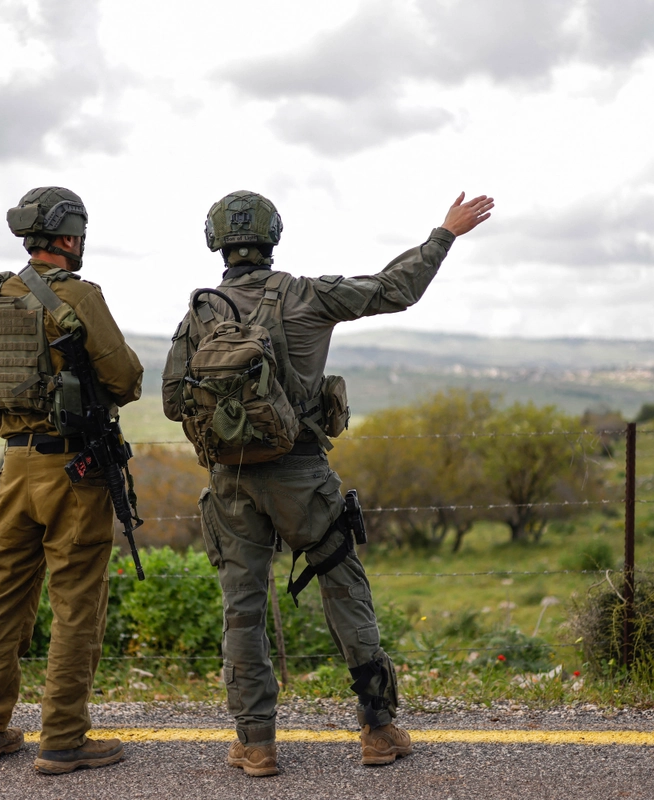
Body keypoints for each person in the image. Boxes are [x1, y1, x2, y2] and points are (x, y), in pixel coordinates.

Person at [161, 190, 494, 776]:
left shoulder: (200, 314)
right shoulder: (306, 294)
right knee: (344, 590)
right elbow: (395, 289)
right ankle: (379, 731)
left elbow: (171, 403)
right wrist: (444, 234)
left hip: (231, 484)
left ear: (217, 242)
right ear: (272, 237)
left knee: (242, 609)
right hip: (303, 476)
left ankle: (256, 744)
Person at [0, 186, 144, 774]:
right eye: (79, 234)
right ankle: (62, 739)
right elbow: (127, 379)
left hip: (13, 469)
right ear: (67, 237)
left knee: (3, 599)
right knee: (76, 604)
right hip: (71, 473)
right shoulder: (80, 297)